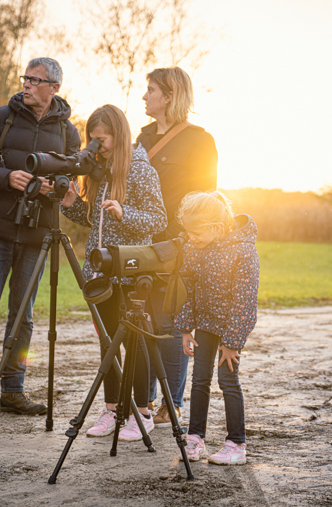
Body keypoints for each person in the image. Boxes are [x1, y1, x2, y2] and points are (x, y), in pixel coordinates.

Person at [0, 57, 82, 423]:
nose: (26, 85)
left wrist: (54, 190)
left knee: (23, 317)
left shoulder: (69, 132)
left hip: (36, 235)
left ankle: (13, 391)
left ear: (53, 88)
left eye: (35, 80)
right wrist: (6, 177)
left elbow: (71, 183)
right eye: (25, 78)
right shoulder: (0, 118)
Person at [61, 104, 167, 441]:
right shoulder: (99, 172)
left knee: (134, 342)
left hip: (131, 271)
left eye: (101, 139)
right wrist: (70, 205)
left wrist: (125, 213)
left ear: (118, 136)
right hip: (101, 270)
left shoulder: (140, 170)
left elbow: (158, 220)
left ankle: (143, 413)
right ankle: (112, 410)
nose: (96, 146)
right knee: (108, 344)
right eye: (92, 139)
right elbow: (96, 222)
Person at [136, 67, 218, 427]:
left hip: (176, 246)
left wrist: (187, 242)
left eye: (151, 90)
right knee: (142, 322)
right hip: (139, 243)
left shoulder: (200, 140)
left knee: (169, 322)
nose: (144, 96)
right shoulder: (140, 138)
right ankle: (144, 401)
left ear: (169, 96)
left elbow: (204, 199)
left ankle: (173, 401)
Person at [174, 190, 259, 465]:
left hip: (230, 329)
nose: (190, 238)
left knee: (227, 380)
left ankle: (236, 443)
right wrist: (186, 328)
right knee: (199, 380)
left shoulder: (243, 251)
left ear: (217, 228)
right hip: (205, 326)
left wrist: (232, 342)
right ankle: (195, 438)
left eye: (195, 233)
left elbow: (245, 301)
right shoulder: (194, 248)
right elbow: (187, 287)